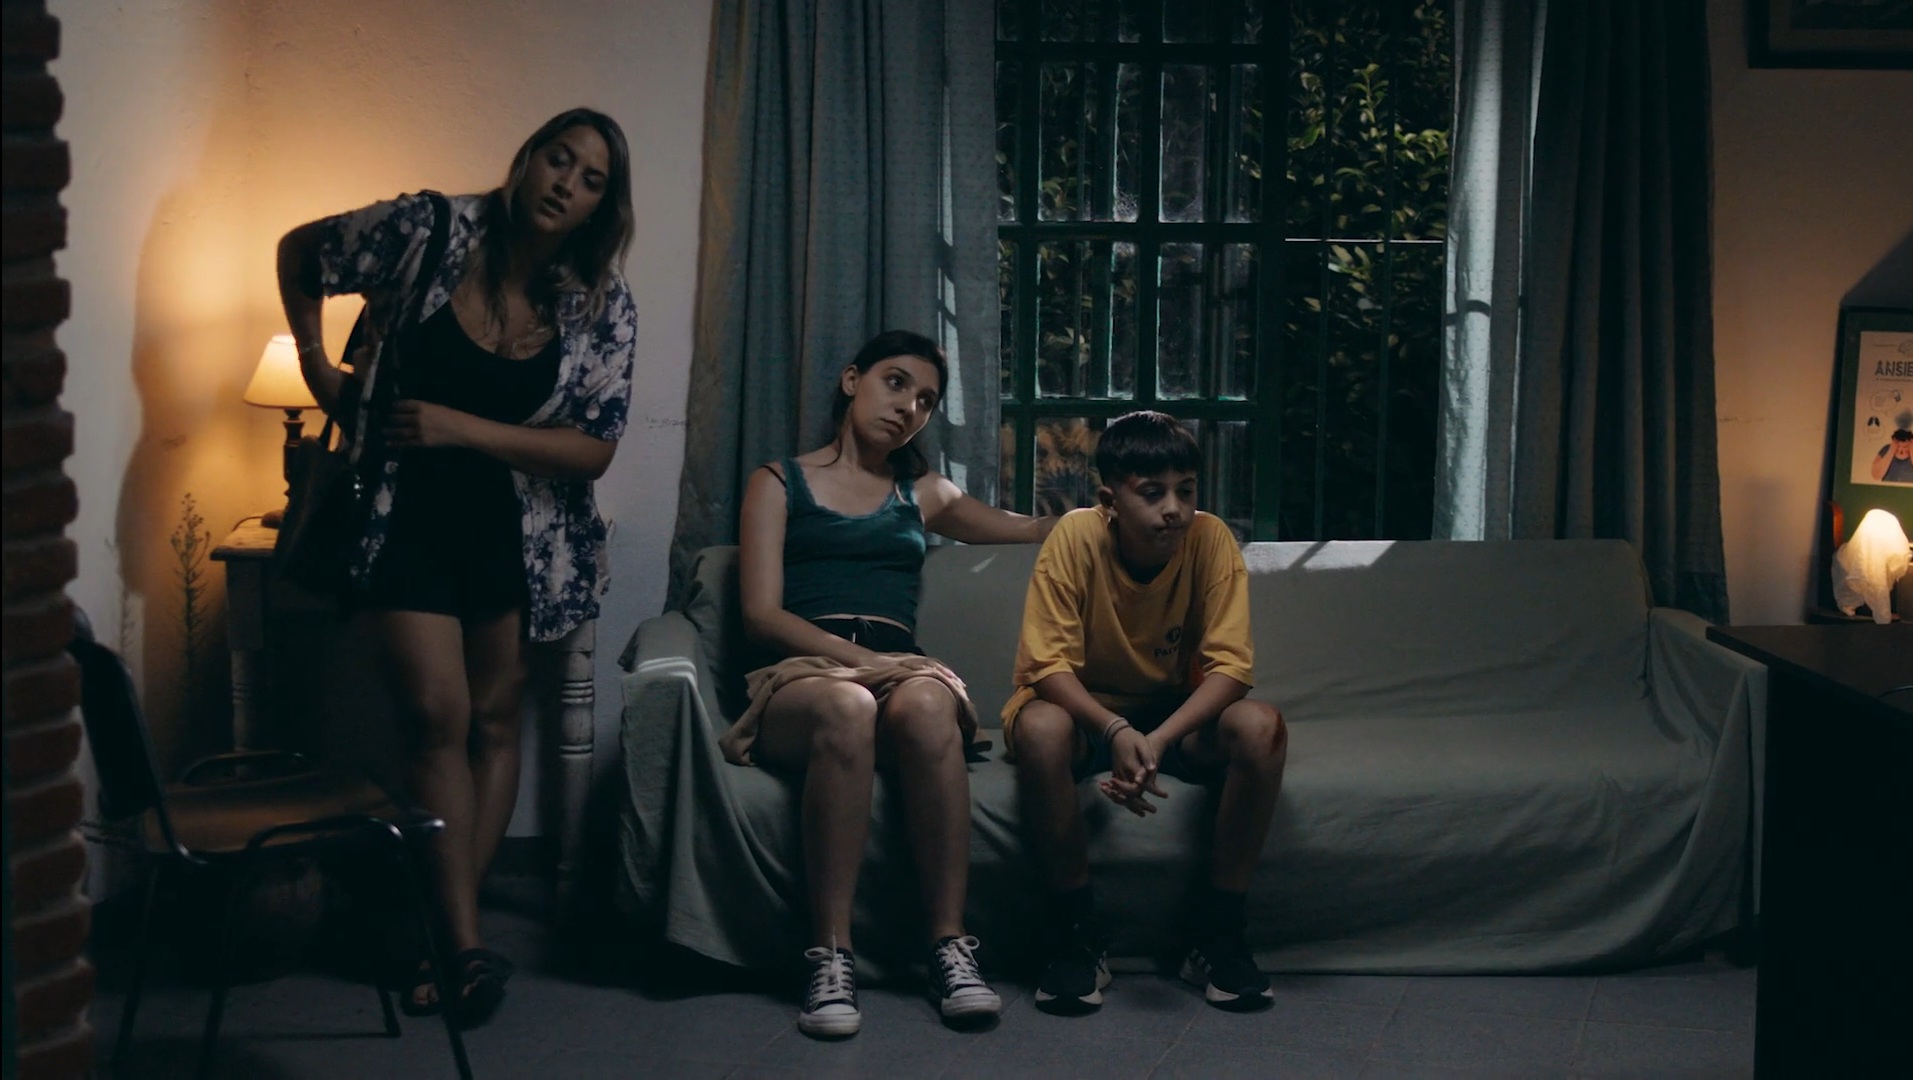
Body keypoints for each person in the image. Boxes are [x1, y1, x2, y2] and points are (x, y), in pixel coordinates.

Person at [274, 107, 638, 1026]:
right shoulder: (429, 228)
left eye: (590, 179)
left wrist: (458, 427)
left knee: (494, 720)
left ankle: (445, 937)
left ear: (600, 207)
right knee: (435, 716)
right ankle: (468, 948)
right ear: (527, 159)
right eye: (558, 159)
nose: (566, 183)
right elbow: (300, 250)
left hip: (515, 533)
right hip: (402, 518)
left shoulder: (598, 302)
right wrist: (316, 364)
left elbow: (592, 449)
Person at [731, 329, 1054, 1038]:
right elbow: (760, 616)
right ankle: (830, 956)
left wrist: (1106, 514)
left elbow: (1029, 530)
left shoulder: (923, 492)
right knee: (847, 706)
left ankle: (949, 947)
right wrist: (864, 663)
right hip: (804, 674)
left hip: (900, 672)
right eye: (896, 383)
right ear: (852, 381)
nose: (909, 406)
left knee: (931, 704)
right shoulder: (777, 482)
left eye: (926, 400)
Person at [1003, 410, 1288, 1015]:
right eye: (1153, 493)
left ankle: (1218, 934)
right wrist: (1114, 729)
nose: (1174, 509)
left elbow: (1232, 668)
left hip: (1172, 719)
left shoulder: (1210, 540)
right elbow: (1046, 666)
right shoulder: (1076, 536)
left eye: (1186, 490)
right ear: (1110, 500)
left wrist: (1153, 740)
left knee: (1262, 726)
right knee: (1039, 728)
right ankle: (1074, 933)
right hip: (1085, 716)